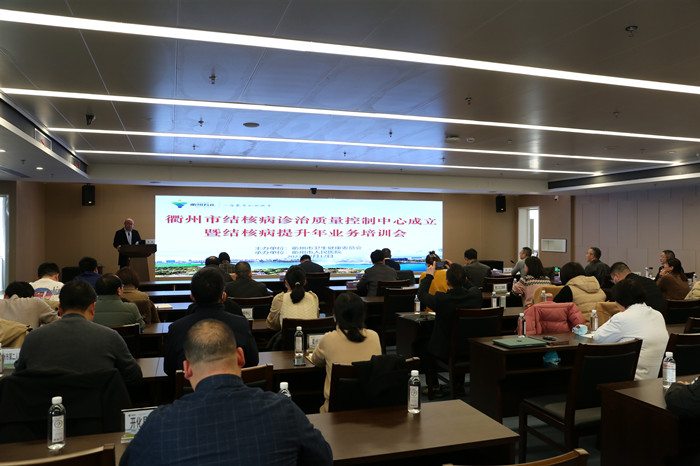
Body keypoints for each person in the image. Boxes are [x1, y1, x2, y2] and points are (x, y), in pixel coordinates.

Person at [121, 319, 332, 465]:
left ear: (187, 369)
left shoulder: (159, 424)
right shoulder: (283, 410)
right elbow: (323, 458)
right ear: (241, 357)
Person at [14, 280, 142, 385]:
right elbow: (134, 375)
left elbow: (17, 378)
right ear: (93, 308)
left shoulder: (33, 338)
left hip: (46, 406)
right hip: (96, 405)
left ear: (60, 309)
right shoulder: (110, 337)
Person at [164, 268, 258, 376]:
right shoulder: (241, 324)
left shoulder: (176, 328)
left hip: (192, 385)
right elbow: (253, 362)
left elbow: (169, 369)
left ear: (192, 296)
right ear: (223, 296)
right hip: (234, 384)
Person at [311, 293, 382, 413]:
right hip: (369, 410)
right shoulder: (374, 336)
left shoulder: (328, 339)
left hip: (335, 413)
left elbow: (315, 361)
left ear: (335, 315)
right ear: (362, 314)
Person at [418, 263, 482, 395]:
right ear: (465, 279)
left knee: (422, 346)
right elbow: (473, 287)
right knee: (460, 337)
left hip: (446, 349)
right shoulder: (476, 296)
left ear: (447, 282)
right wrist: (460, 273)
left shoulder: (441, 299)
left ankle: (434, 386)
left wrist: (429, 276)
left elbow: (421, 294)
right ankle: (458, 383)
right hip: (471, 346)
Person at [592, 279, 668, 380]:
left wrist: (614, 317)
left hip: (631, 380)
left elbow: (598, 338)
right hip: (656, 379)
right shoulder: (658, 315)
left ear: (620, 300)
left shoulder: (622, 318)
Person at [266, 265, 319, 331]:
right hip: (311, 336)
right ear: (305, 282)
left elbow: (272, 324)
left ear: (286, 283)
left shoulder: (280, 299)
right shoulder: (313, 297)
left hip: (288, 337)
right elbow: (316, 318)